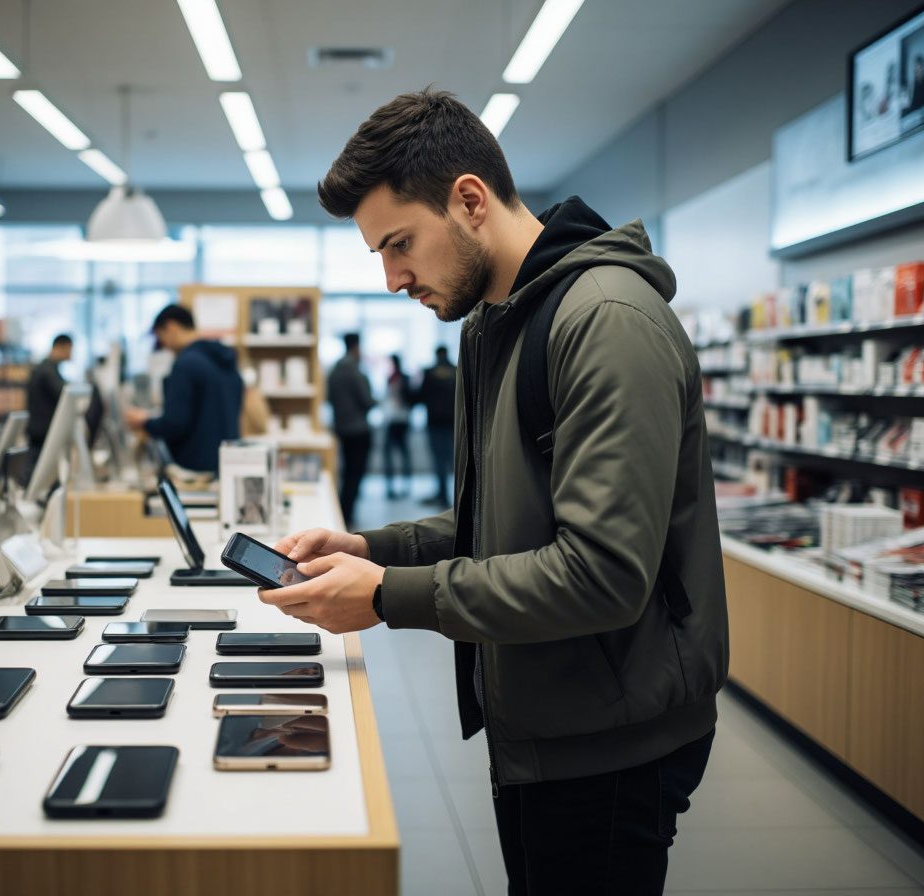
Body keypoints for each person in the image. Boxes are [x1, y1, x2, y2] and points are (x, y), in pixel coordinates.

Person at [258, 89, 729, 894]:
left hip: (612, 740)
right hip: (550, 717)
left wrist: (388, 595)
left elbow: (602, 574)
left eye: (400, 243)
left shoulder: (605, 320)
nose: (392, 278)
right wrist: (372, 547)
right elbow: (504, 519)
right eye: (378, 253)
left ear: (470, 200)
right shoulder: (497, 323)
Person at [124, 304, 242, 475]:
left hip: (196, 471)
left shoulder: (185, 364)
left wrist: (145, 422)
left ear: (171, 327)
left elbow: (175, 423)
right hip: (226, 463)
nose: (163, 346)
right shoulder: (224, 360)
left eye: (160, 337)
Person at [326, 332, 374, 528]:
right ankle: (348, 514)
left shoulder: (334, 371)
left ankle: (344, 513)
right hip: (359, 430)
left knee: (347, 473)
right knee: (356, 474)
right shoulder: (355, 372)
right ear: (355, 347)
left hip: (342, 429)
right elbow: (367, 401)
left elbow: (329, 399)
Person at [416, 345, 457, 506]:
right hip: (452, 423)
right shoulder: (456, 371)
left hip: (434, 422)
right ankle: (454, 495)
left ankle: (442, 495)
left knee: (439, 459)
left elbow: (421, 396)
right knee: (453, 459)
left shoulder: (429, 373)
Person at [26, 333, 73, 465]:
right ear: (61, 347)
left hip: (41, 432)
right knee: (38, 469)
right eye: (70, 350)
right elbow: (63, 394)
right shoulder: (47, 371)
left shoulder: (49, 369)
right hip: (41, 434)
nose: (71, 354)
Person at [382, 353, 413, 499]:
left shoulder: (405, 378)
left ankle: (406, 486)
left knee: (404, 453)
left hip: (402, 419)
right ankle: (390, 486)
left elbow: (411, 398)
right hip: (392, 419)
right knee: (389, 453)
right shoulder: (390, 378)